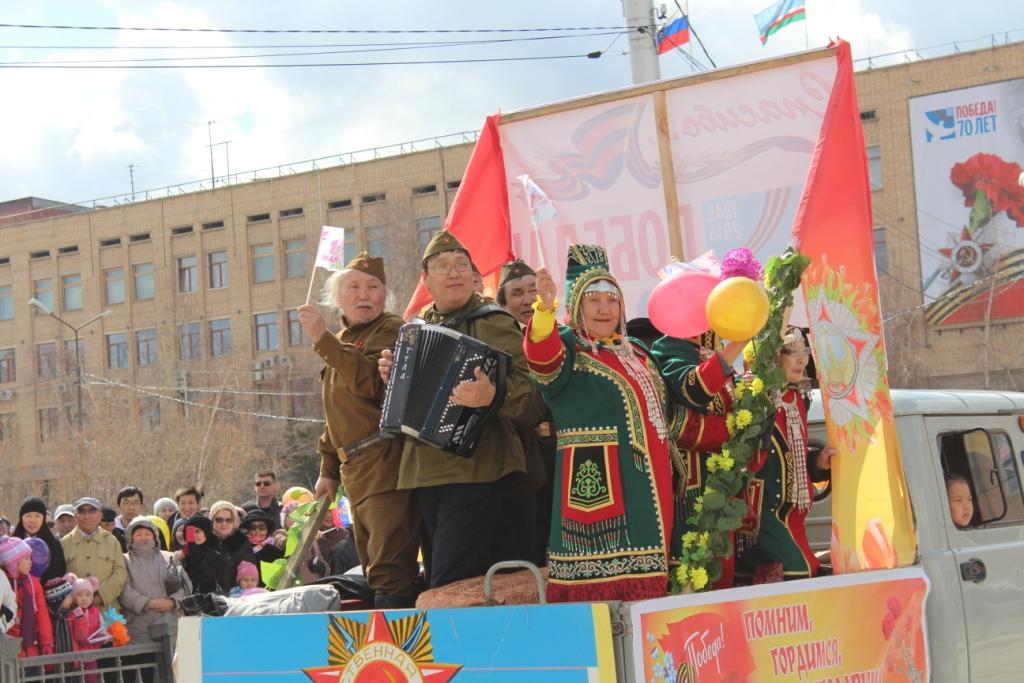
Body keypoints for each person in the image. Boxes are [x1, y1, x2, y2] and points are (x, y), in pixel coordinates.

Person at [524, 245, 727, 602]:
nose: (605, 309)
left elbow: (678, 410)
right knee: (604, 608)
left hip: (652, 498)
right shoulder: (571, 348)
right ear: (576, 305)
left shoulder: (638, 352)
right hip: (598, 502)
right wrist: (544, 311)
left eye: (611, 299)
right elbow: (543, 360)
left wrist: (728, 360)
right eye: (593, 299)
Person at [379, 231, 533, 589]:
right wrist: (394, 378)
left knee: (453, 584)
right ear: (426, 280)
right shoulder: (415, 328)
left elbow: (530, 388)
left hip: (478, 472)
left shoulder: (493, 320)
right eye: (443, 266)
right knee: (439, 577)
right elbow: (407, 401)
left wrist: (492, 396)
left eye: (462, 265)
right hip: (423, 473)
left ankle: (456, 645)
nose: (454, 273)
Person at [297, 250, 421, 609]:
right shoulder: (343, 340)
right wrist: (327, 468)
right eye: (354, 286)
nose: (364, 294)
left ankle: (398, 652)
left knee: (389, 570)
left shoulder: (392, 329)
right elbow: (337, 416)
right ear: (338, 297)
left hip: (385, 462)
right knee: (372, 567)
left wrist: (323, 339)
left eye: (374, 286)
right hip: (356, 470)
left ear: (386, 296)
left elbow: (370, 384)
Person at [736, 328, 835, 582]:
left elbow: (793, 456)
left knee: (808, 568)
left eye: (805, 351)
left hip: (791, 518)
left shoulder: (798, 397)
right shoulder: (754, 397)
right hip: (761, 516)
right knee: (797, 571)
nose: (803, 360)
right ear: (773, 357)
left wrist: (817, 463)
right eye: (793, 352)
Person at [652, 328, 748, 588]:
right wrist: (734, 431)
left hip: (722, 490)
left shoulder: (714, 351)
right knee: (692, 582)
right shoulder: (670, 346)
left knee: (721, 585)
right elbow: (691, 400)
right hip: (691, 495)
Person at [497, 258, 552, 567]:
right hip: (525, 463)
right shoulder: (502, 342)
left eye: (534, 290)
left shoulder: (559, 334)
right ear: (503, 302)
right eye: (517, 293)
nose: (528, 300)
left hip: (561, 457)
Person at [120, 517, 190, 681]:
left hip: (170, 626)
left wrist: (172, 602)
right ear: (131, 537)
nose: (144, 538)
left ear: (155, 536)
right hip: (138, 630)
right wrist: (146, 603)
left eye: (147, 534)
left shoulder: (170, 558)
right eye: (138, 534)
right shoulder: (124, 561)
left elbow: (186, 587)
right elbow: (123, 590)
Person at [61, 497, 128, 610]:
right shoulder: (64, 543)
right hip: (76, 614)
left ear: (100, 515)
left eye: (92, 511)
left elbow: (120, 574)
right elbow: (59, 578)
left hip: (107, 611)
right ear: (76, 516)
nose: (86, 516)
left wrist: (100, 596)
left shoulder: (112, 541)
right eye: (81, 511)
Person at [0, 535, 54, 657]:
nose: (31, 562)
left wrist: (46, 643)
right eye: (26, 558)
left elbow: (42, 616)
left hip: (32, 648)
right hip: (8, 650)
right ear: (13, 563)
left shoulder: (34, 584)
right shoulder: (3, 584)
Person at [13, 496, 67, 585]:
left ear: (43, 519)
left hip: (46, 595)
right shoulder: (12, 544)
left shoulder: (53, 544)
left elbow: (59, 573)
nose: (32, 520)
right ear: (21, 517)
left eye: (37, 516)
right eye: (28, 515)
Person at [207, 501, 257, 593]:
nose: (224, 524)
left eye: (229, 520)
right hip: (207, 599)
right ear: (211, 520)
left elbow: (250, 575)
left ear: (234, 521)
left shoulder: (242, 543)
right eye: (219, 520)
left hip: (236, 598)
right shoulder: (203, 542)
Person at [67, 575, 103, 683]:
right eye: (79, 595)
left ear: (92, 597)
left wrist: (103, 637)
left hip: (92, 655)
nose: (84, 598)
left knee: (92, 679)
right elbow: (74, 635)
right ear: (73, 597)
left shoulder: (96, 612)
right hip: (77, 657)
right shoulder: (72, 614)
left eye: (88, 595)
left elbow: (102, 629)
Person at [181, 516, 223, 594]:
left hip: (206, 599)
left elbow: (206, 576)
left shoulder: (213, 554)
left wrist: (193, 549)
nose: (194, 535)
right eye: (190, 532)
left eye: (197, 531)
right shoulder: (183, 553)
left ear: (206, 533)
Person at [44, 574, 77, 665]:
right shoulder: (50, 620)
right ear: (59, 600)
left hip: (73, 662)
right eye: (68, 596)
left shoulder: (73, 613)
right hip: (55, 664)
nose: (71, 598)